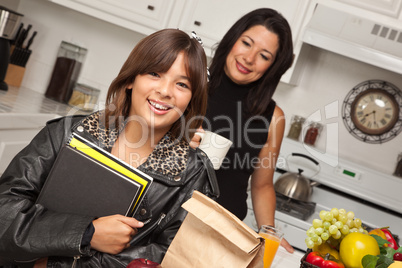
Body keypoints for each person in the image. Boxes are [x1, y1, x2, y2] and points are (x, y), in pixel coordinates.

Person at [0, 29, 218, 267]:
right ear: (130, 80)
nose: (165, 91)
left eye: (182, 84)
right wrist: (87, 233)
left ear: (190, 100)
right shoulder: (66, 134)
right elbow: (5, 212)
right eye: (155, 73)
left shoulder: (193, 176)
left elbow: (174, 258)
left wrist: (55, 261)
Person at [192, 8, 295, 252]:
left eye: (264, 55)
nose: (249, 58)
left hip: (222, 235)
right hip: (166, 220)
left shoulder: (273, 118)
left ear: (273, 66)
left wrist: (269, 233)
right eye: (246, 43)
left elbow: (261, 185)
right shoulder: (190, 84)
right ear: (232, 40)